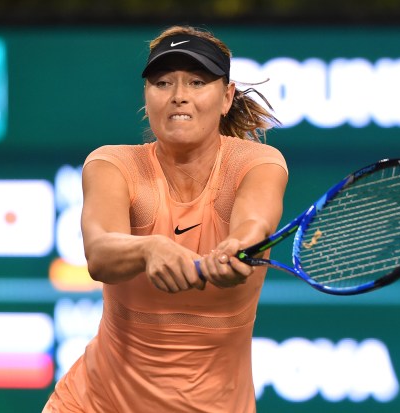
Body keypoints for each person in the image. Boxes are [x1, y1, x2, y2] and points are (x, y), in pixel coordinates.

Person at [42, 25, 288, 413]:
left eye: (196, 82)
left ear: (226, 98)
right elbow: (99, 252)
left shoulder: (257, 163)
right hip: (94, 404)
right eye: (162, 83)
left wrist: (236, 249)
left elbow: (253, 225)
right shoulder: (113, 164)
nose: (178, 97)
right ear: (147, 96)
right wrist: (148, 248)